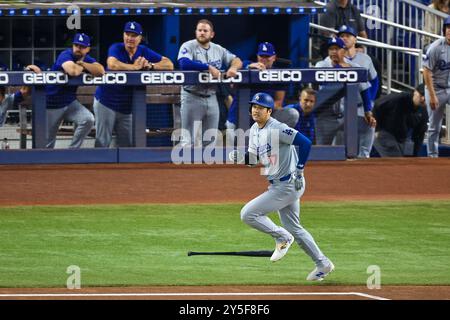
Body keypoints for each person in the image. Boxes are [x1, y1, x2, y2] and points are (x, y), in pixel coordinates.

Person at [230, 92, 334, 281]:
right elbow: (254, 160)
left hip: (288, 185)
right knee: (295, 228)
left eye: (260, 107)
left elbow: (305, 143)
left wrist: (300, 169)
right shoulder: (254, 129)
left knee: (248, 214)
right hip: (281, 185)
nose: (255, 110)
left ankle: (282, 237)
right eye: (254, 106)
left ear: (269, 111)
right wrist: (241, 158)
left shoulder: (278, 128)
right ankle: (323, 264)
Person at [95, 21, 174, 148]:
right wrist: (135, 67)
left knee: (127, 145)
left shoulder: (144, 51)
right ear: (123, 35)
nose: (130, 38)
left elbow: (169, 64)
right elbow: (112, 64)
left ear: (140, 38)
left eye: (134, 35)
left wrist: (151, 65)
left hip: (127, 107)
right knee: (102, 142)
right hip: (106, 102)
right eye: (127, 34)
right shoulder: (116, 47)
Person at [177, 19, 242, 148]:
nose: (201, 33)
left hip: (212, 97)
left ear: (212, 34)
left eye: (205, 31)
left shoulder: (218, 49)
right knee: (188, 142)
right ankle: (185, 167)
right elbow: (183, 63)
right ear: (196, 32)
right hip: (191, 96)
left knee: (210, 142)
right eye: (199, 30)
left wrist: (233, 68)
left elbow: (236, 60)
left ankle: (205, 169)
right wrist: (207, 67)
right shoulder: (188, 46)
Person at [45, 33, 104, 148]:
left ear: (88, 49)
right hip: (51, 103)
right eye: (76, 45)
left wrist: (83, 63)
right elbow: (73, 71)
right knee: (48, 143)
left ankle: (73, 150)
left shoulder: (86, 59)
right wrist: (84, 66)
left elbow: (101, 70)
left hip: (69, 102)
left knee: (88, 119)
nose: (78, 48)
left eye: (82, 46)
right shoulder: (65, 54)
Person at [314, 37, 376, 147]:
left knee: (368, 126)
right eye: (331, 49)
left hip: (347, 115)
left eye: (336, 49)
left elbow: (365, 89)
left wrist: (368, 111)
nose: (333, 52)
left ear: (344, 50)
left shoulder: (355, 67)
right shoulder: (321, 65)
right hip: (326, 115)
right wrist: (341, 68)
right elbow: (326, 87)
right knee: (322, 149)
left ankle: (364, 158)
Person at [337, 25, 378, 158]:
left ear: (355, 39)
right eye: (341, 36)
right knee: (341, 148)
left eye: (347, 36)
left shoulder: (365, 59)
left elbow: (375, 81)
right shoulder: (335, 60)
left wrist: (370, 100)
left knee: (368, 135)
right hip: (343, 106)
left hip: (362, 106)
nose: (344, 38)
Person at [372, 84, 428, 157]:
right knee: (396, 159)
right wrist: (376, 129)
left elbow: (419, 135)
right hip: (384, 132)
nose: (423, 99)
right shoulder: (398, 98)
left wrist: (414, 156)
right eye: (421, 95)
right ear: (415, 92)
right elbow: (377, 105)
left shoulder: (423, 112)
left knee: (404, 161)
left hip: (401, 138)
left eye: (427, 97)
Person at [423, 16, 450, 158]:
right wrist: (432, 95)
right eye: (448, 27)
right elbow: (426, 72)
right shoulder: (435, 48)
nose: (449, 30)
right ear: (444, 30)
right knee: (434, 126)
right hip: (436, 89)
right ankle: (432, 156)